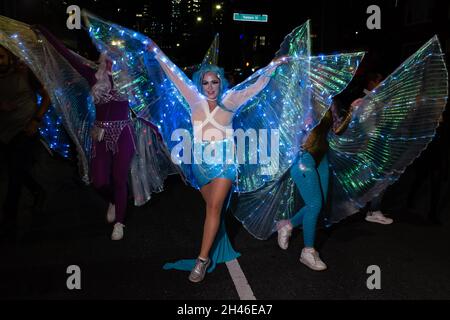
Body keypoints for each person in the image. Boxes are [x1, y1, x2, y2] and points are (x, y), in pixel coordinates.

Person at [147, 41, 286, 282]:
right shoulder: (194, 100)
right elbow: (173, 75)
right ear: (200, 83)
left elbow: (257, 85)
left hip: (225, 163)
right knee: (213, 208)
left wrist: (273, 66)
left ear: (220, 82)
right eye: (205, 82)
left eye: (215, 82)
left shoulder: (230, 100)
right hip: (199, 165)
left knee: (213, 208)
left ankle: (202, 260)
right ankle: (216, 244)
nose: (210, 87)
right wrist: (155, 52)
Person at [36, 26, 165, 241]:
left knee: (120, 178)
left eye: (117, 56)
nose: (112, 60)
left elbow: (143, 109)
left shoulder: (129, 79)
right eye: (108, 55)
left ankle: (120, 223)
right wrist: (45, 33)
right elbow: (65, 53)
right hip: (100, 135)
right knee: (99, 182)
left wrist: (158, 131)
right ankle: (114, 200)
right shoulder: (91, 75)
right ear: (103, 58)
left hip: (124, 132)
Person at [276, 98, 360, 271]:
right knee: (314, 204)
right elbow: (285, 127)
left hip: (321, 158)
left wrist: (351, 110)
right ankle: (308, 251)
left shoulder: (331, 99)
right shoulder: (301, 95)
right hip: (302, 158)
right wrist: (299, 125)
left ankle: (288, 225)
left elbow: (336, 129)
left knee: (317, 205)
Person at [0, 45, 51, 236]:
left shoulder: (25, 72)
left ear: (9, 57)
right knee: (16, 169)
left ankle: (8, 219)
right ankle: (38, 191)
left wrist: (36, 120)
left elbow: (47, 96)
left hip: (24, 130)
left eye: (1, 56)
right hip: (3, 132)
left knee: (14, 173)